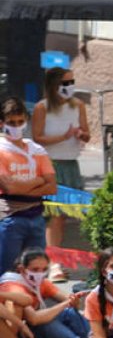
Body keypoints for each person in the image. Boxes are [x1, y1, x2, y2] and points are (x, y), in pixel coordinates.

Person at [0, 247, 107, 338]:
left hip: (30, 331)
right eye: (35, 269)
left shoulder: (41, 282)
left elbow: (68, 301)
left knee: (69, 313)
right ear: (22, 269)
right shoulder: (13, 286)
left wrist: (73, 301)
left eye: (44, 269)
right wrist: (66, 303)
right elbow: (34, 319)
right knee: (46, 322)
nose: (40, 273)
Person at [31, 67, 88, 254]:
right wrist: (63, 137)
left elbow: (87, 134)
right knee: (53, 215)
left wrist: (81, 135)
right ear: (54, 85)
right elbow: (37, 137)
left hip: (71, 164)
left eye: (72, 82)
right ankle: (53, 258)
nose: (69, 86)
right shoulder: (42, 108)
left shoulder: (78, 105)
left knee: (65, 215)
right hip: (51, 164)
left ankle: (54, 254)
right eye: (65, 82)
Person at [0, 97, 57, 275]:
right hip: (10, 218)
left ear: (26, 121)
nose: (16, 126)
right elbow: (10, 189)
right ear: (2, 123)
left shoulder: (37, 150)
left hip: (36, 217)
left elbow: (52, 187)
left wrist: (23, 185)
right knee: (7, 271)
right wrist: (39, 180)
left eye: (20, 122)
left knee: (36, 271)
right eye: (11, 122)